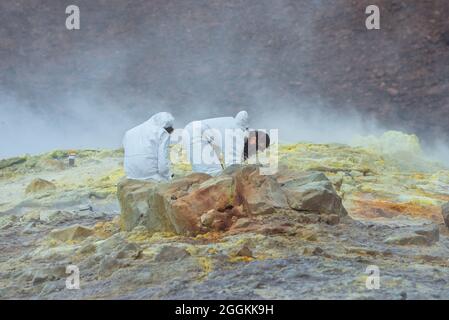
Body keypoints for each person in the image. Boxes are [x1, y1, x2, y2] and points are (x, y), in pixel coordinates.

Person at [183, 111, 270, 175]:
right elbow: (233, 164)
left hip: (195, 132)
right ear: (253, 140)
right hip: (197, 134)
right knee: (212, 174)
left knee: (202, 173)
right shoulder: (237, 132)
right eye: (258, 147)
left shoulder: (240, 131)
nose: (257, 151)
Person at [123, 112, 174, 181]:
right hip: (152, 176)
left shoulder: (129, 133)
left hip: (131, 175)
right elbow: (163, 165)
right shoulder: (161, 132)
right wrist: (168, 176)